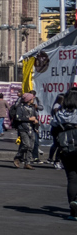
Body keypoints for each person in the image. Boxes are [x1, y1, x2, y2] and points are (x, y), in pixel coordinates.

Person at [52, 86, 77, 219]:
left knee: (72, 178)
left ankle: (73, 212)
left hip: (66, 149)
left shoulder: (60, 114)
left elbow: (53, 132)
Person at [11, 91, 40, 170]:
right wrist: (29, 119)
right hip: (23, 128)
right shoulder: (20, 107)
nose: (33, 100)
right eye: (31, 99)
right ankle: (18, 157)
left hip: (31, 128)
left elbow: (35, 116)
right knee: (26, 144)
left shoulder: (33, 107)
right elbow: (18, 118)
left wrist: (35, 121)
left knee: (31, 146)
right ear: (28, 99)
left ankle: (28, 162)